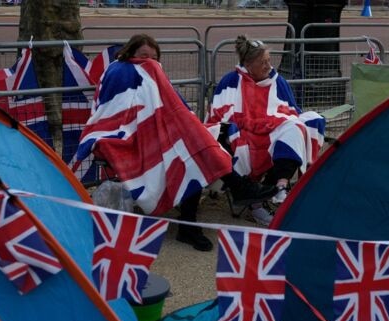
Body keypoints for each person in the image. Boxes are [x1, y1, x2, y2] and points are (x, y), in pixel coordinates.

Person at [77, 34, 276, 251]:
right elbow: (116, 108)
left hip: (156, 132)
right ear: (130, 54)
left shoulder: (152, 72)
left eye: (154, 57)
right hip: (125, 134)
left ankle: (192, 223)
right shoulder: (120, 70)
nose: (149, 62)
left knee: (194, 151)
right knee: (192, 147)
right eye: (144, 56)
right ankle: (236, 190)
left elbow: (173, 107)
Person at [206, 35, 326, 226]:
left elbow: (291, 110)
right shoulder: (231, 81)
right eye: (263, 62)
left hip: (272, 131)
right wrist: (258, 124)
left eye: (269, 60)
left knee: (300, 126)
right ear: (248, 64)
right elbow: (220, 117)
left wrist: (269, 123)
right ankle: (255, 203)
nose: (268, 65)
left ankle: (280, 186)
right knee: (239, 138)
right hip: (244, 135)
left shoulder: (277, 81)